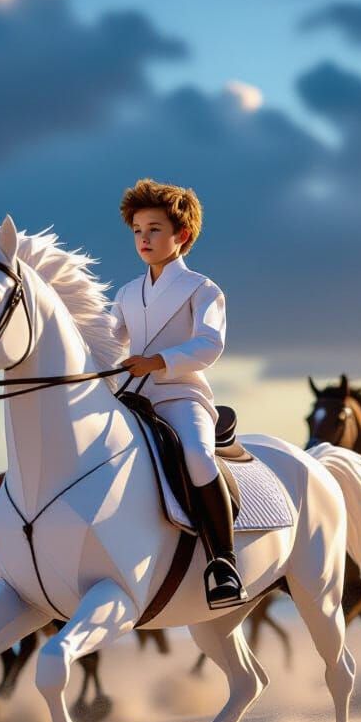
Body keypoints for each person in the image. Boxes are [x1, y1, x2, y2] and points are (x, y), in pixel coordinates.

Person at [109, 178, 246, 610]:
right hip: (131, 399)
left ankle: (223, 563)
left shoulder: (203, 289)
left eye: (153, 229)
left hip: (181, 396)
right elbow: (109, 344)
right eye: (136, 231)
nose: (143, 239)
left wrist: (157, 361)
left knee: (198, 457)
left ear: (181, 235)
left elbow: (210, 344)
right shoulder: (127, 293)